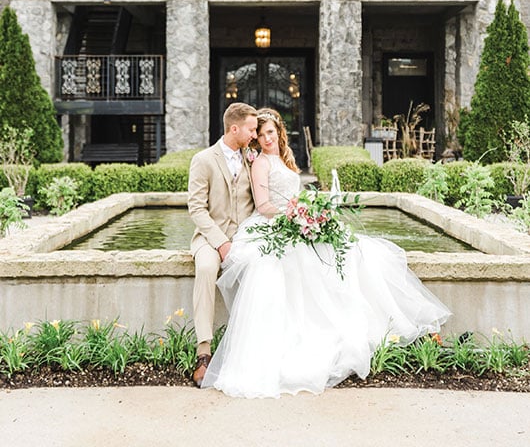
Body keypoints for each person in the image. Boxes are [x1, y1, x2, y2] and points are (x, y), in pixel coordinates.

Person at [201, 107, 451, 398]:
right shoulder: (259, 163)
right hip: (275, 224)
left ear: (278, 132)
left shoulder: (283, 159)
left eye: (270, 132)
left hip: (295, 219)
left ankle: (370, 324)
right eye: (261, 133)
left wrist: (310, 211)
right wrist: (295, 216)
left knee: (354, 248)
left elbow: (294, 195)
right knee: (304, 259)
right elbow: (264, 205)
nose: (266, 138)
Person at [188, 101, 258, 387]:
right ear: (234, 128)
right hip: (209, 237)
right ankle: (204, 351)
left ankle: (250, 349)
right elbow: (196, 208)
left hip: (245, 236)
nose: (254, 135)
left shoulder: (252, 159)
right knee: (205, 268)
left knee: (263, 270)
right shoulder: (203, 159)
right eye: (251, 129)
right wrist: (220, 243)